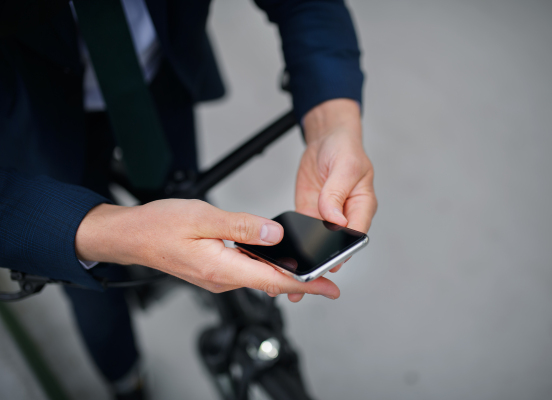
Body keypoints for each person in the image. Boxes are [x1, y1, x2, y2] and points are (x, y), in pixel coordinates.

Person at [0, 0, 377, 398]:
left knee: (188, 202)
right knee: (91, 286)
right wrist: (107, 233)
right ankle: (126, 379)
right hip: (34, 118)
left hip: (158, 89)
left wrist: (331, 124)